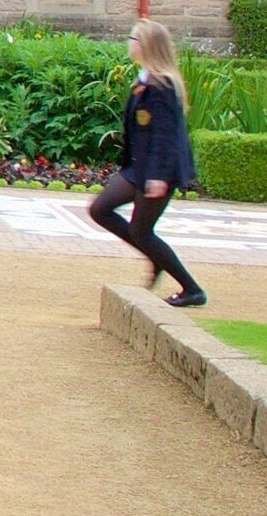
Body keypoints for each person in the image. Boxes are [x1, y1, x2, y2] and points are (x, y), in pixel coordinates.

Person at [88, 16, 206, 308]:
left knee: (142, 230)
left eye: (133, 39)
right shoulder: (144, 81)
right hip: (138, 167)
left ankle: (192, 289)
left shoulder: (161, 86)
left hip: (157, 170)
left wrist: (157, 177)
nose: (129, 43)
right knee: (101, 209)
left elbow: (165, 136)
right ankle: (156, 257)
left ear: (147, 46)